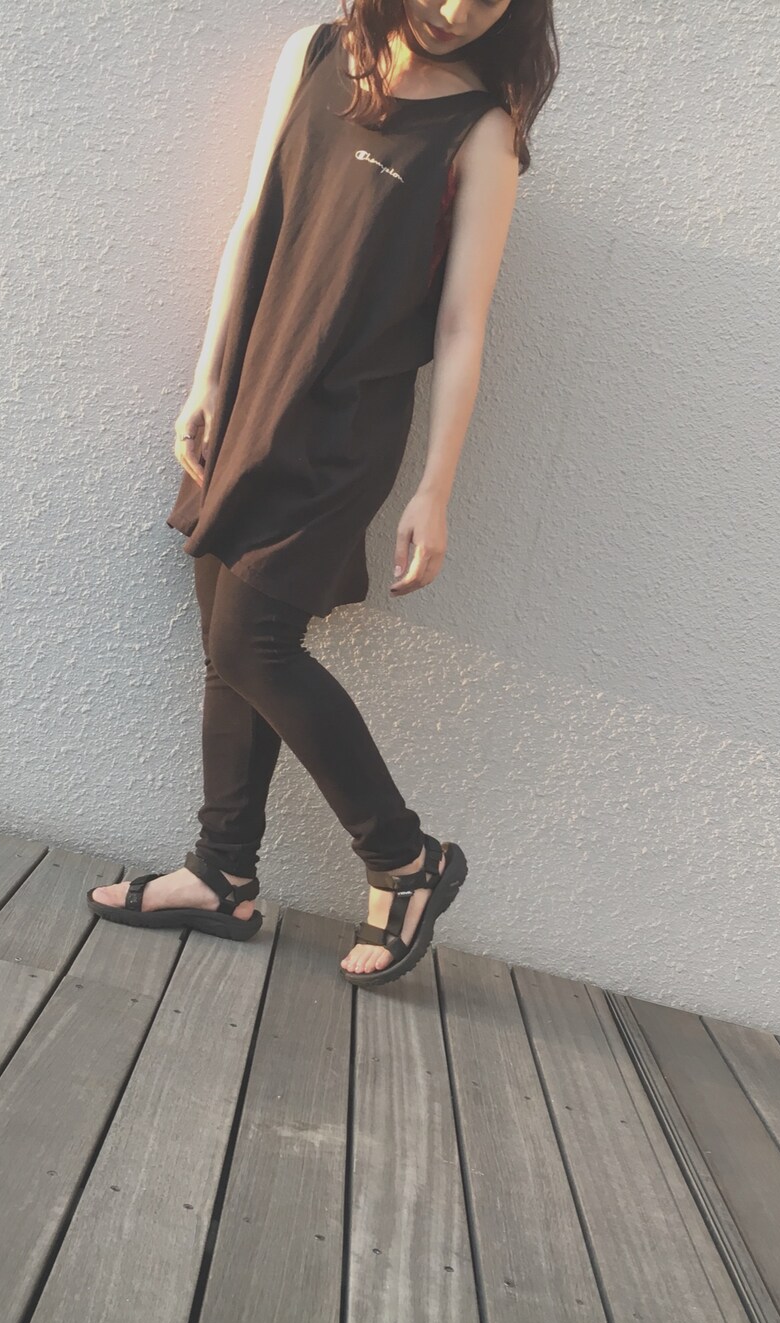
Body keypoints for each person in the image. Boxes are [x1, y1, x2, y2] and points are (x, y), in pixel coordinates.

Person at [87, 1, 558, 986]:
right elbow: (252, 221)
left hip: (342, 428)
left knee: (251, 644)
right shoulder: (313, 54)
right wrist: (209, 378)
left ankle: (405, 858)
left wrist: (436, 488)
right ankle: (222, 872)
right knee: (223, 632)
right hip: (250, 390)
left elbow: (463, 324)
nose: (458, 10)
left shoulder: (481, 132)